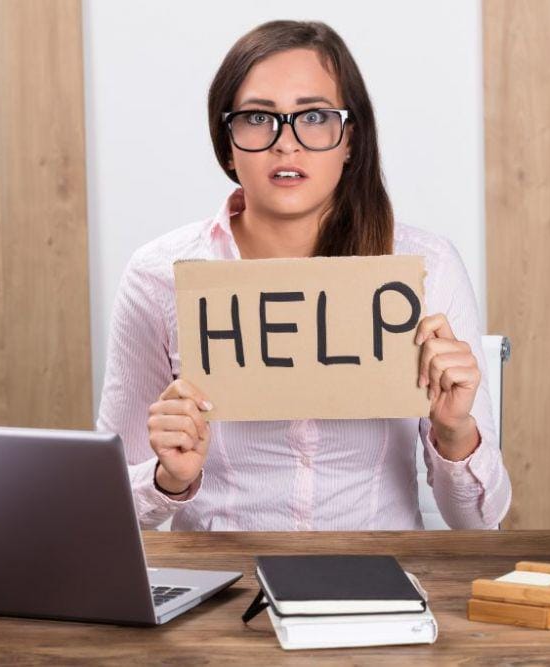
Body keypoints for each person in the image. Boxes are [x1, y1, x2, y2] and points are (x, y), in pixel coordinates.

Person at [97, 20, 511, 530]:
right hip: (224, 584)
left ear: (350, 140)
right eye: (257, 118)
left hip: (378, 579)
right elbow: (109, 512)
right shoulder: (159, 276)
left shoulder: (428, 266)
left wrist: (454, 430)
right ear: (226, 144)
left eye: (314, 116)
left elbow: (480, 522)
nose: (285, 144)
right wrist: (169, 479)